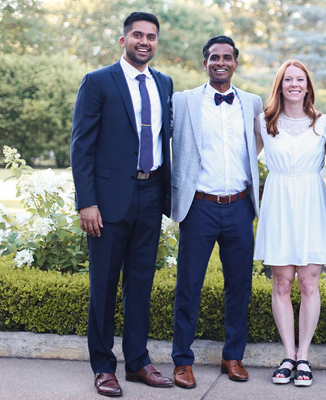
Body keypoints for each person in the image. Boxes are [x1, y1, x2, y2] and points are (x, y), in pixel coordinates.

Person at [70, 11, 174, 397]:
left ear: (156, 43)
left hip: (151, 194)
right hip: (109, 201)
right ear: (123, 40)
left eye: (150, 36)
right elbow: (81, 145)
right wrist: (87, 203)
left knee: (141, 286)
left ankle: (138, 363)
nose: (144, 42)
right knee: (104, 286)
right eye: (137, 35)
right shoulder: (98, 82)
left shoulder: (164, 83)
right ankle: (102, 366)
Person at [169, 36, 263, 388]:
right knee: (188, 285)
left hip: (239, 206)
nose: (220, 62)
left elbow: (261, 140)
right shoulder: (183, 101)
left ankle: (233, 356)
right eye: (213, 57)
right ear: (204, 62)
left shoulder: (252, 102)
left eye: (227, 57)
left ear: (235, 63)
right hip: (199, 206)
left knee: (239, 285)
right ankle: (182, 360)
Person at [253, 60, 326, 387]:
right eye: (287, 79)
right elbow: (246, 159)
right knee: (282, 282)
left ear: (307, 86)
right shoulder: (264, 121)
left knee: (308, 282)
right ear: (279, 85)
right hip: (278, 201)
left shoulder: (323, 122)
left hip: (311, 200)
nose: (293, 84)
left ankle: (304, 356)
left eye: (299, 79)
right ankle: (287, 355)